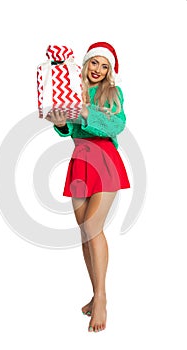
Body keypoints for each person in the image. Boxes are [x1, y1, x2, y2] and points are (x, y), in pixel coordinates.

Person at [48, 42, 130, 333]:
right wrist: (60, 123)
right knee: (84, 230)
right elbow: (68, 129)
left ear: (110, 71)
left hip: (105, 158)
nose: (98, 69)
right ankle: (94, 294)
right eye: (94, 63)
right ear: (85, 64)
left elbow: (115, 126)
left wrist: (85, 112)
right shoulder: (73, 87)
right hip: (80, 158)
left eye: (104, 65)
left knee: (93, 225)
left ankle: (103, 299)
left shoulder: (112, 93)